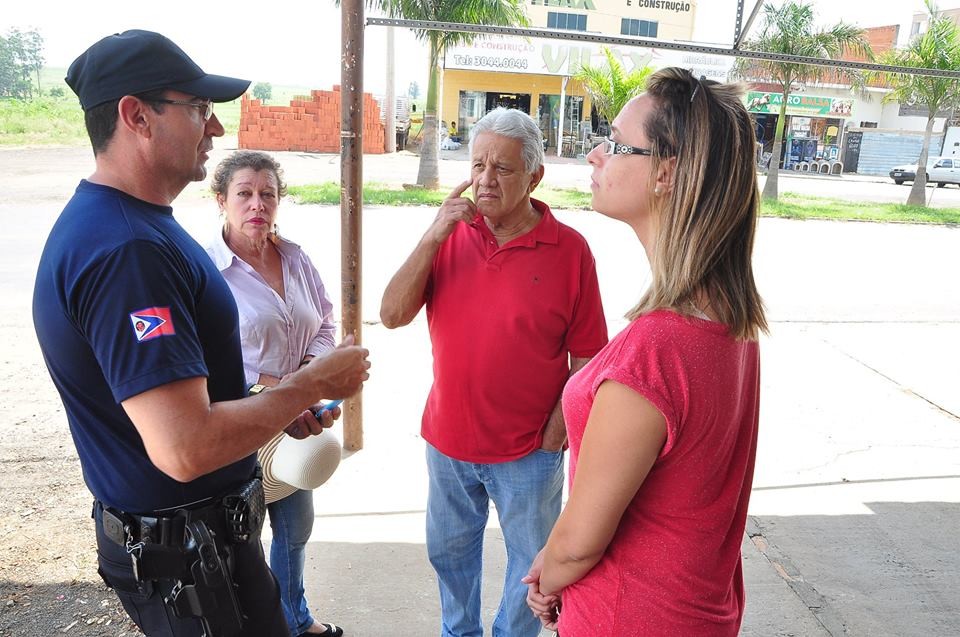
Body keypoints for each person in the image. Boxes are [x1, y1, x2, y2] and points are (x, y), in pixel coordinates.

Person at [32, 30, 370, 637]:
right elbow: (184, 447)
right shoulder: (129, 251)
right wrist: (306, 386)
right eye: (198, 109)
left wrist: (272, 406)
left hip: (203, 548)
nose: (214, 129)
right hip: (190, 563)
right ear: (136, 116)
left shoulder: (135, 227)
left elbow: (196, 393)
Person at [523, 67, 768, 636]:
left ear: (666, 172)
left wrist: (550, 572)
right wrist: (559, 559)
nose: (595, 155)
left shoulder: (657, 349)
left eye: (616, 142)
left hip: (629, 617)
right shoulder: (730, 320)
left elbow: (580, 544)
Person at [380, 107, 608, 637]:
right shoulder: (448, 235)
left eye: (502, 168)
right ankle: (458, 632)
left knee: (530, 568)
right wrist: (434, 235)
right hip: (448, 443)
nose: (484, 179)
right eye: (477, 163)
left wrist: (557, 432)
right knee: (449, 555)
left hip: (528, 452)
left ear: (534, 176)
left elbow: (590, 360)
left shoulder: (570, 251)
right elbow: (391, 314)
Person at [205, 150, 343, 637]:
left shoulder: (294, 257)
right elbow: (203, 353)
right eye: (243, 194)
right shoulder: (206, 269)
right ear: (221, 200)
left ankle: (295, 620)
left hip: (300, 419)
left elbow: (325, 321)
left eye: (267, 194)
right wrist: (267, 388)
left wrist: (308, 374)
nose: (256, 204)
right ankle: (259, 623)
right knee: (242, 536)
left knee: (295, 528)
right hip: (243, 420)